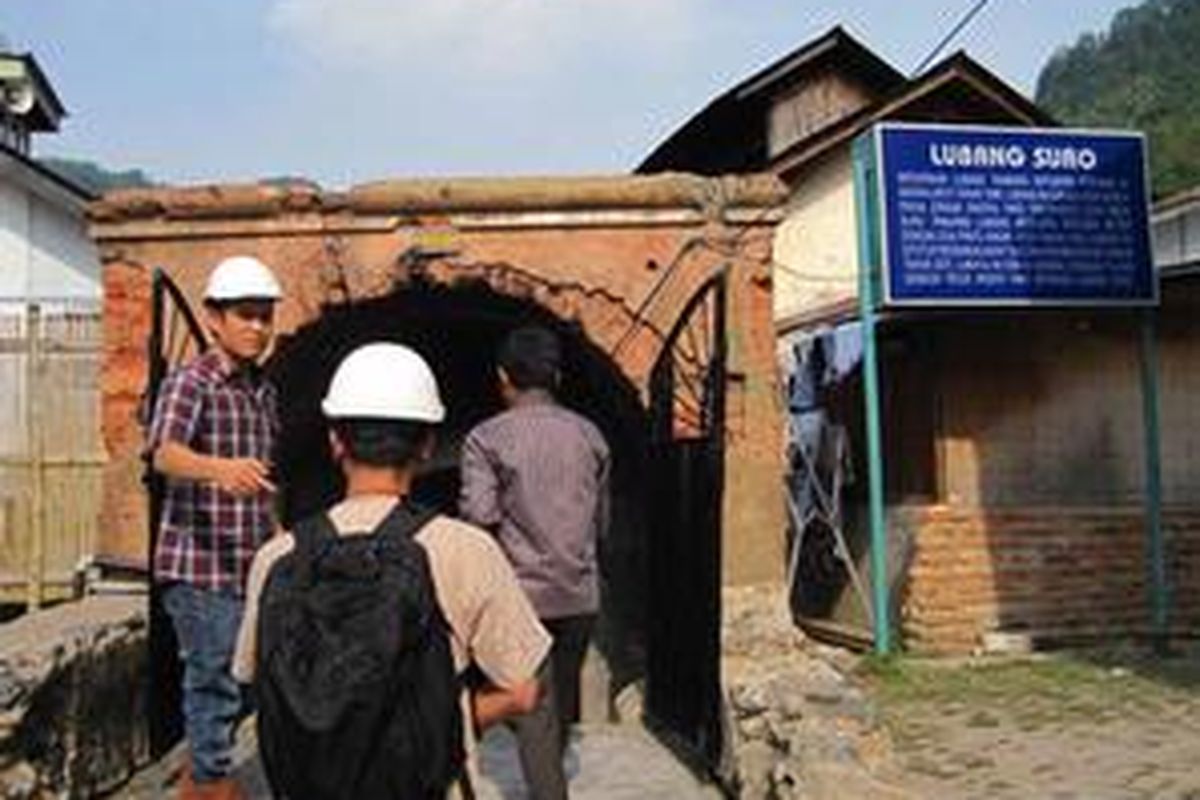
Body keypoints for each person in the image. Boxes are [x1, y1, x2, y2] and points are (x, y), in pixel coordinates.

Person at [232, 342, 553, 799]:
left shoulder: (277, 557)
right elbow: (524, 691)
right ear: (426, 446)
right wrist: (447, 719)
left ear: (335, 441)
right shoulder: (467, 550)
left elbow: (254, 680)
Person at [147, 255, 283, 799]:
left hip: (247, 560)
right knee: (214, 680)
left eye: (265, 316)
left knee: (241, 680)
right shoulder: (192, 382)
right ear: (213, 318)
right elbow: (163, 454)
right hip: (198, 563)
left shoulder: (263, 390)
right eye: (245, 315)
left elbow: (265, 477)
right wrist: (217, 470)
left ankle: (201, 774)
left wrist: (278, 534)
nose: (257, 327)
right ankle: (209, 783)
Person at [459, 326, 610, 786]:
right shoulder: (591, 435)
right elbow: (602, 521)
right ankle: (548, 774)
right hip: (580, 593)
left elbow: (478, 519)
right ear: (557, 376)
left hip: (522, 598)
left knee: (537, 712)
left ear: (503, 377)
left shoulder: (486, 439)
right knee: (555, 707)